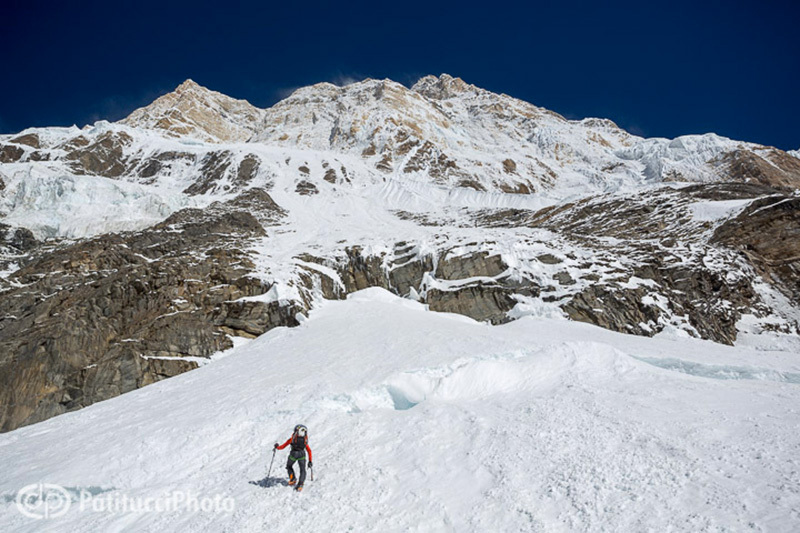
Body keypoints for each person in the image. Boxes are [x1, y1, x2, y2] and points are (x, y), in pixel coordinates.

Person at [274, 424, 313, 491]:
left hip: (293, 454)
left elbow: (282, 447)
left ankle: (292, 478)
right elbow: (309, 450)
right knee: (302, 470)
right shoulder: (305, 441)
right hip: (302, 455)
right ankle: (300, 484)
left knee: (289, 466)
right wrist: (310, 461)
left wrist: (277, 447)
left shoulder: (292, 439)